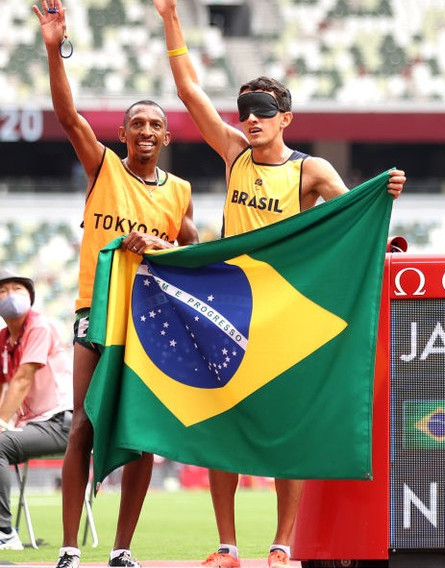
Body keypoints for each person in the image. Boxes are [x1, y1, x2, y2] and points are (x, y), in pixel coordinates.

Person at [153, 2, 405, 567]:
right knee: (220, 427)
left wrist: (384, 198)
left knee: (288, 432)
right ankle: (226, 546)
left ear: (286, 118)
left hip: (284, 312)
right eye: (246, 111)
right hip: (227, 305)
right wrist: (171, 17)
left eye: (263, 111)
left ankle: (282, 543)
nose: (251, 119)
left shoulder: (310, 171)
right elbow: (190, 91)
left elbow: (354, 223)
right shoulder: (234, 153)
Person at [35, 2, 200, 567]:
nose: (148, 131)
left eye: (157, 124)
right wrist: (55, 47)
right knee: (82, 423)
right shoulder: (103, 168)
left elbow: (197, 252)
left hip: (149, 320)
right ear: (123, 133)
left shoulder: (178, 192)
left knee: (142, 432)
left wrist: (160, 246)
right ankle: (67, 547)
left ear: (167, 137)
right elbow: (66, 115)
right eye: (138, 124)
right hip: (95, 310)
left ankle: (122, 550)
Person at [0, 269, 74, 551]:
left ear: (29, 296)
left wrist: (1, 422)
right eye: (2, 292)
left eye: (16, 289)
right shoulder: (3, 338)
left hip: (61, 423)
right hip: (34, 425)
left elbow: (22, 378)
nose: (9, 296)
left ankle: (5, 533)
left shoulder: (39, 327)